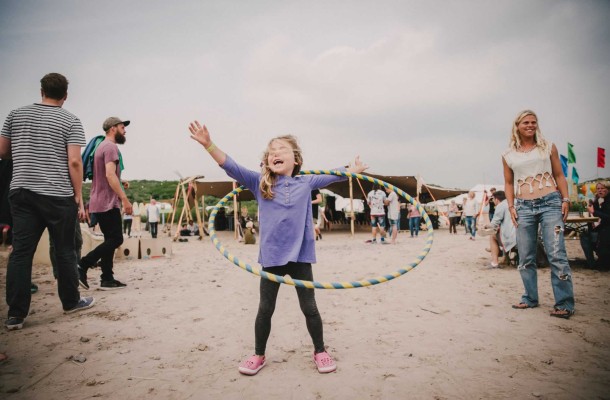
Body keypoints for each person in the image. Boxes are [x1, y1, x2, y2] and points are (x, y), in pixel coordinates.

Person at [188, 120, 367, 375]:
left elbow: (335, 173)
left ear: (296, 159)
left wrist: (352, 169)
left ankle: (320, 351)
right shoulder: (260, 183)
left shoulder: (307, 183)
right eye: (271, 151)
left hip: (301, 256)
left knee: (310, 307)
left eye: (281, 149)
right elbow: (231, 166)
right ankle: (258, 354)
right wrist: (208, 144)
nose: (275, 153)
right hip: (272, 257)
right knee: (265, 309)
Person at [0, 73, 95, 330]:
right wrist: (78, 197)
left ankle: (16, 315)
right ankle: (70, 302)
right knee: (64, 249)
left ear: (41, 90)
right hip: (56, 194)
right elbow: (74, 161)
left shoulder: (14, 115)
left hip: (21, 191)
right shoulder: (70, 120)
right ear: (65, 95)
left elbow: (2, 151)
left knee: (21, 253)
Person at [503, 109, 574, 319]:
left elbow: (559, 175)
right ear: (517, 126)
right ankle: (530, 298)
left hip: (550, 203)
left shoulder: (547, 147)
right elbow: (508, 182)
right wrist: (511, 206)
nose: (530, 125)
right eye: (526, 122)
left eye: (533, 122)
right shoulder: (508, 155)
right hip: (523, 206)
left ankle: (564, 303)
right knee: (525, 256)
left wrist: (566, 199)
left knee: (556, 253)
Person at [78, 117, 132, 291]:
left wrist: (120, 180)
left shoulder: (100, 147)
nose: (125, 130)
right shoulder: (110, 147)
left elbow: (106, 174)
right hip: (107, 202)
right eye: (122, 127)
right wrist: (124, 198)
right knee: (117, 238)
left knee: (110, 239)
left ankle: (107, 278)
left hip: (98, 200)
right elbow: (109, 175)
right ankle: (83, 265)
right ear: (112, 128)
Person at [485, 191, 516, 268]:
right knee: (505, 232)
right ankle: (505, 258)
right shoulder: (515, 202)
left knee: (493, 236)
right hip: (522, 235)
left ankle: (494, 262)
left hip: (512, 238)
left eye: (493, 199)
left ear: (497, 199)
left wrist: (485, 226)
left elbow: (493, 224)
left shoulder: (501, 205)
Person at [589, 181, 609, 271]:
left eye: (602, 188)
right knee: (585, 234)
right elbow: (598, 212)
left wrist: (594, 211)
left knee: (590, 236)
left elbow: (607, 217)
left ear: (608, 189)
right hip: (604, 227)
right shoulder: (600, 199)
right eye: (598, 189)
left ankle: (600, 261)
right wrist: (594, 203)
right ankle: (595, 261)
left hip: (607, 228)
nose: (600, 191)